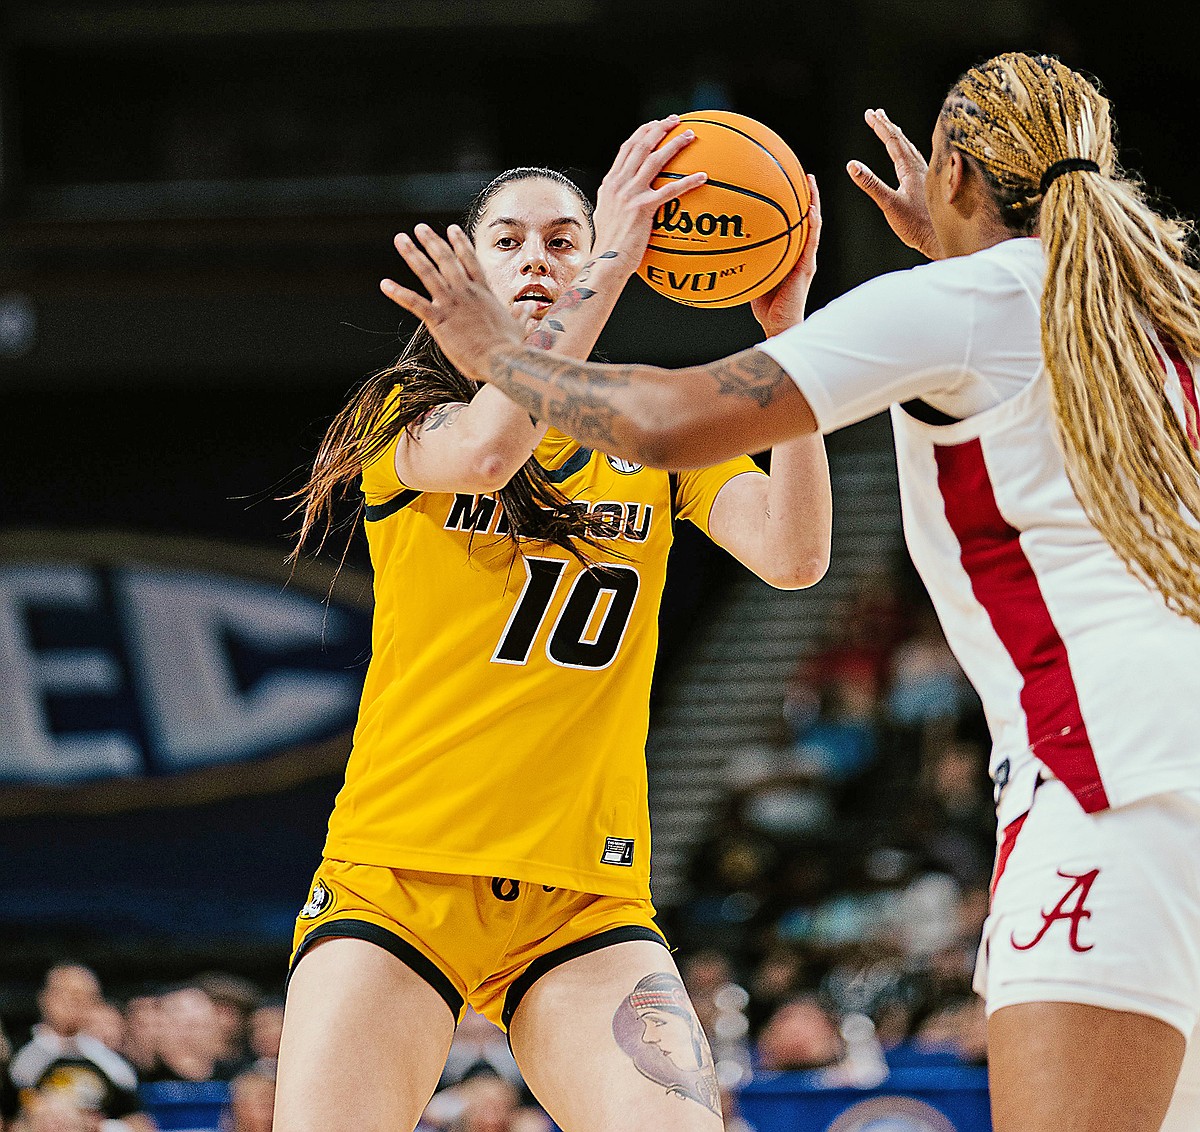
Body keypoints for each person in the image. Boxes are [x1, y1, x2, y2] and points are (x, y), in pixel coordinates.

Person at [380, 52, 1200, 1132]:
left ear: (951, 173)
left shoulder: (960, 300)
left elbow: (671, 422)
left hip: (1113, 776)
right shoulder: (1157, 314)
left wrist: (503, 356)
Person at [276, 116, 833, 1132]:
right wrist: (610, 256)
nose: (540, 256)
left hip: (582, 906)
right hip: (398, 883)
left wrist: (787, 338)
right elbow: (495, 449)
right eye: (512, 240)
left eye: (565, 238)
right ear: (470, 273)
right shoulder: (400, 415)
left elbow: (795, 557)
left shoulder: (644, 418)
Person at [5, 964, 155, 1132]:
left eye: (82, 997)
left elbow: (141, 1124)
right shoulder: (16, 1055)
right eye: (64, 994)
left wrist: (102, 1127)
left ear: (95, 1004)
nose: (72, 1003)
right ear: (45, 998)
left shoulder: (113, 1062)